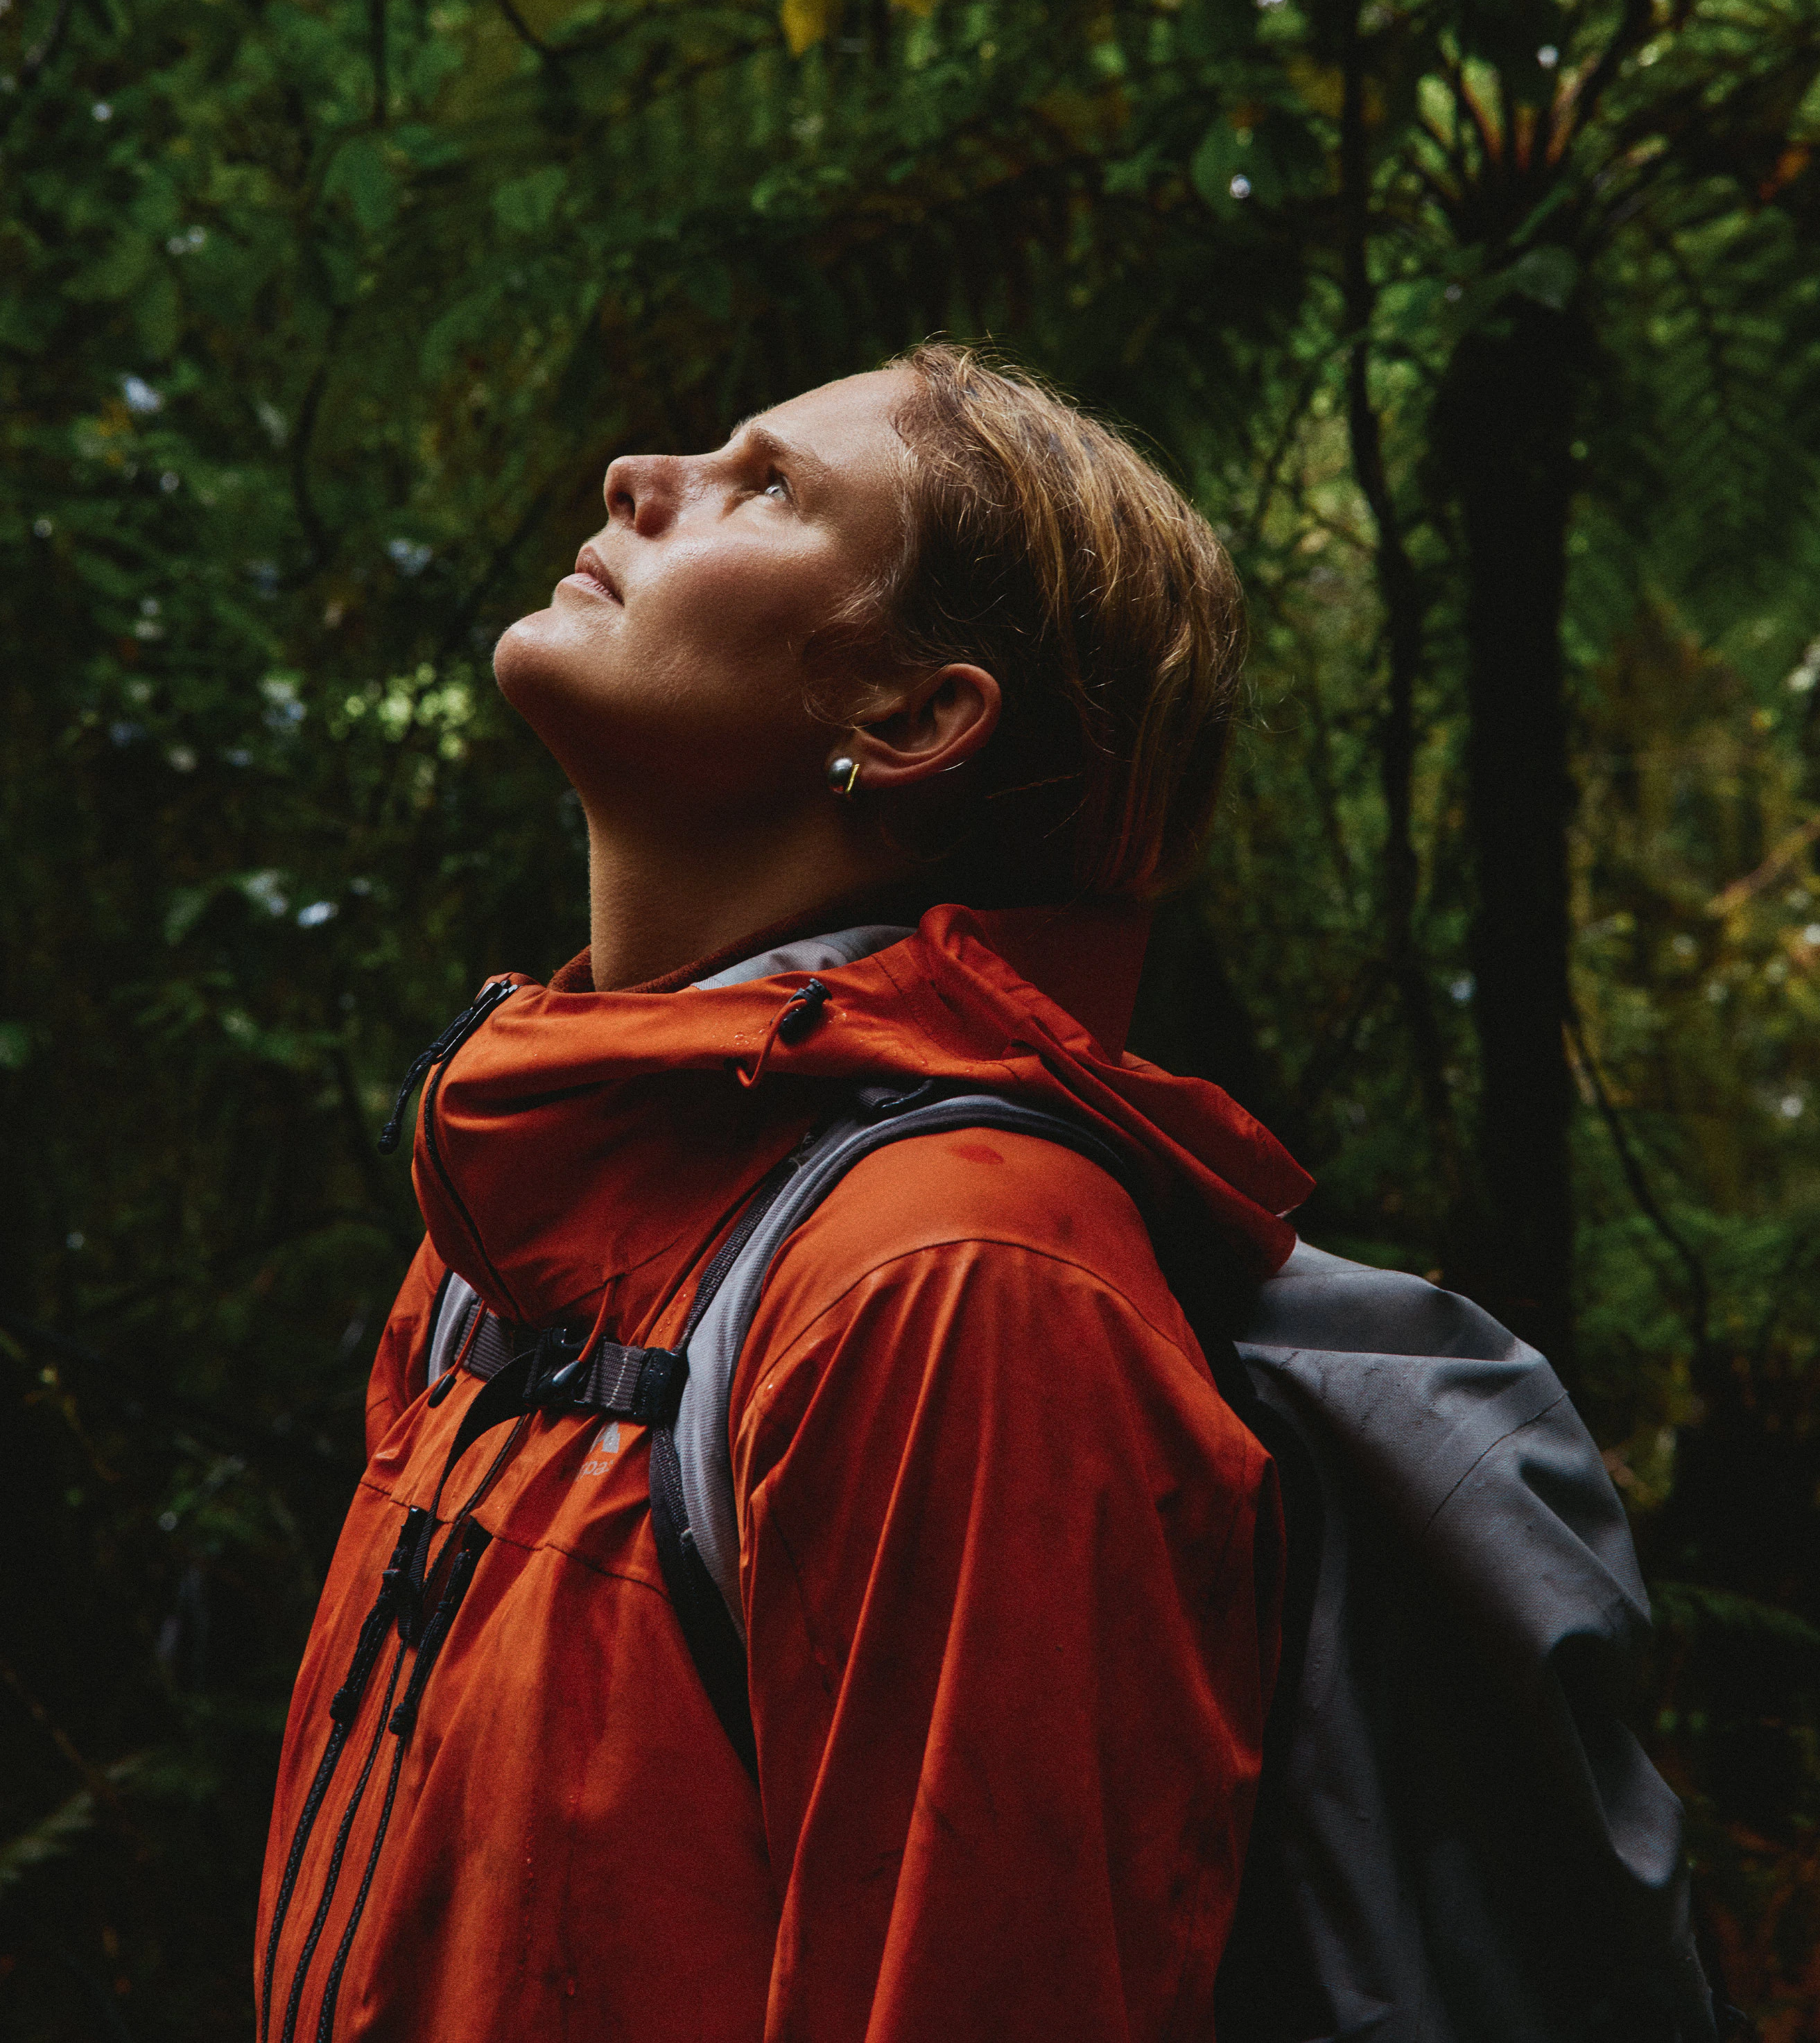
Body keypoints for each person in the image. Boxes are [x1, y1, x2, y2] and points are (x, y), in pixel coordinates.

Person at [256, 342, 1311, 2043]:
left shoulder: (967, 1275)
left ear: (906, 717)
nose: (635, 476)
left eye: (765, 486)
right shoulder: (510, 1220)